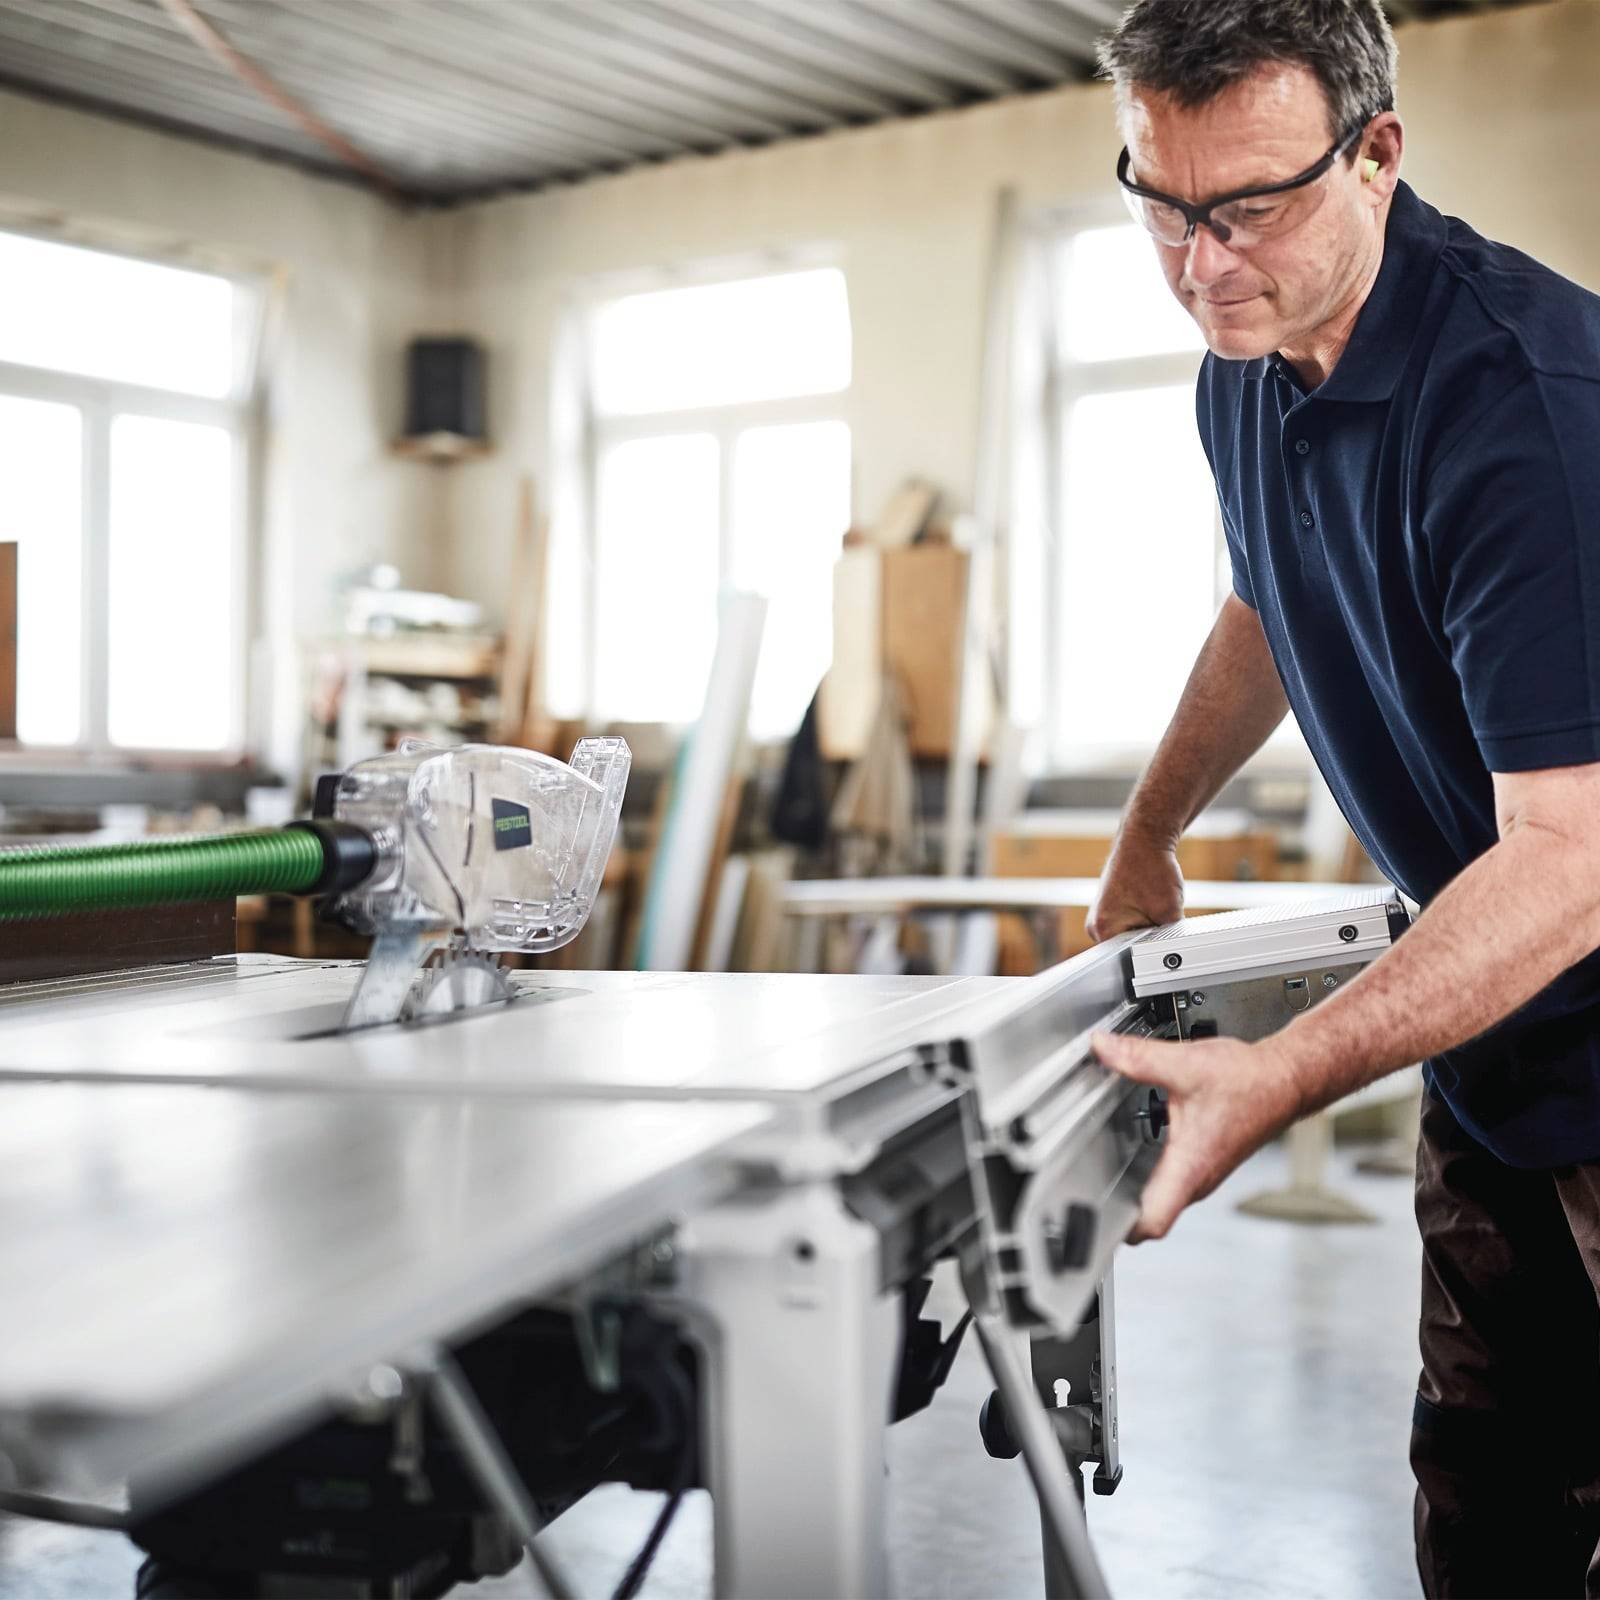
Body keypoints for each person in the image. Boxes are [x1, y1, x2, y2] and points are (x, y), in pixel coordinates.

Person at [1083, 2, 1600, 1593]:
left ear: (1379, 156)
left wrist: (1284, 1073)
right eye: (1162, 207)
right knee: (1486, 1490)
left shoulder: (1526, 407)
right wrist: (1147, 833)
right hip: (1495, 1031)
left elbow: (1573, 861)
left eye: (1247, 206)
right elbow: (1266, 602)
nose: (1202, 264)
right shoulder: (1247, 359)